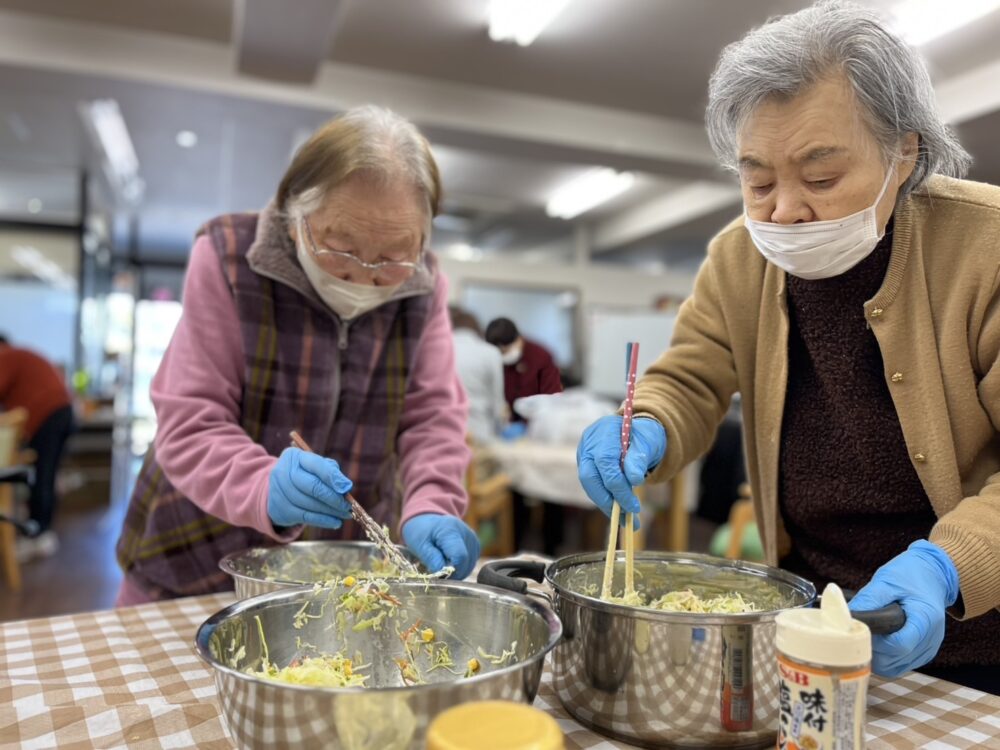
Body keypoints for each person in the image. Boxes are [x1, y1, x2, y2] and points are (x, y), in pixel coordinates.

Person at [577, 1, 1000, 694]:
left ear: (905, 152)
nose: (783, 211)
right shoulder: (737, 258)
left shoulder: (987, 250)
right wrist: (646, 425)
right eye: (758, 181)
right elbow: (689, 378)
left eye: (822, 178)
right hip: (806, 623)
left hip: (974, 634)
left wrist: (947, 567)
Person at [115, 106, 480, 604]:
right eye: (341, 247)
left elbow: (433, 419)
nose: (364, 276)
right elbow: (190, 420)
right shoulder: (227, 255)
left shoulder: (423, 284)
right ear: (294, 218)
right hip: (192, 552)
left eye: (393, 256)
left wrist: (432, 503)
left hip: (339, 572)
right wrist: (262, 483)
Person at [0, 334, 74, 560]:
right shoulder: (22, 354)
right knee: (47, 475)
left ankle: (39, 535)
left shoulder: (7, 356)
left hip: (48, 415)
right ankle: (42, 533)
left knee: (42, 475)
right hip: (62, 411)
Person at [484, 317, 563, 423]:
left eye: (506, 351)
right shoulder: (490, 360)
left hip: (536, 423)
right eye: (500, 353)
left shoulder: (541, 356)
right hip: (501, 423)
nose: (504, 356)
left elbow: (552, 398)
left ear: (518, 339)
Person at [449, 307, 507, 444]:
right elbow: (497, 399)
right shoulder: (490, 352)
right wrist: (502, 428)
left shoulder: (435, 348)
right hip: (479, 430)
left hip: (441, 429)